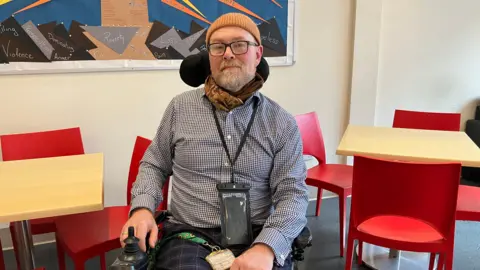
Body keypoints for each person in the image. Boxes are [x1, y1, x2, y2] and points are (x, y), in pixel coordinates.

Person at [120, 12, 309, 270]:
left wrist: (267, 248)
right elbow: (154, 164)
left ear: (258, 54)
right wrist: (141, 209)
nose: (228, 54)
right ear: (209, 57)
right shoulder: (180, 108)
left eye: (240, 44)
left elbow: (293, 195)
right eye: (218, 46)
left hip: (259, 234)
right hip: (190, 235)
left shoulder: (281, 123)